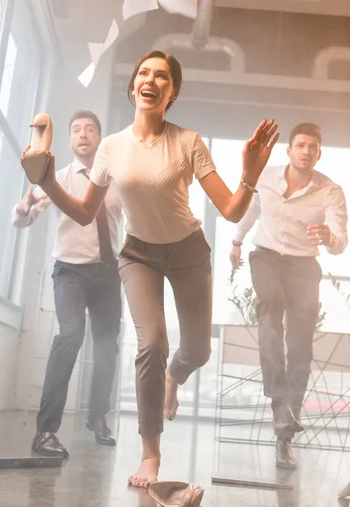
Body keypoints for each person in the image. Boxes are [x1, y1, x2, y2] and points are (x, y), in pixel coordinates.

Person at [21, 50, 279, 487]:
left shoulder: (188, 142)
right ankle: (150, 454)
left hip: (189, 253)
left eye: (162, 76)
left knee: (196, 351)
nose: (152, 79)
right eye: (144, 72)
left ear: (171, 92)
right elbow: (85, 212)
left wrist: (250, 173)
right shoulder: (111, 147)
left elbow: (232, 211)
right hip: (138, 255)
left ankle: (174, 378)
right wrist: (46, 181)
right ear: (133, 86)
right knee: (151, 342)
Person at [229, 122, 348, 470]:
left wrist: (328, 237)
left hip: (303, 265)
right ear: (290, 151)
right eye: (301, 145)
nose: (307, 151)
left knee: (300, 346)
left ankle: (285, 433)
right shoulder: (266, 177)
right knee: (269, 313)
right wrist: (236, 242)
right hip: (265, 257)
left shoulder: (331, 191)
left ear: (319, 153)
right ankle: (279, 401)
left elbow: (340, 238)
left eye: (313, 146)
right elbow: (250, 210)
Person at [14, 110, 123, 457]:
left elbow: (136, 221)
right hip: (70, 273)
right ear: (70, 139)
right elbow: (23, 221)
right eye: (76, 129)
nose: (83, 134)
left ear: (100, 138)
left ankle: (98, 418)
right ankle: (45, 431)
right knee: (71, 335)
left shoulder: (117, 182)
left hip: (107, 273)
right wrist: (23, 207)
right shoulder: (55, 178)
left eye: (90, 128)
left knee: (108, 347)